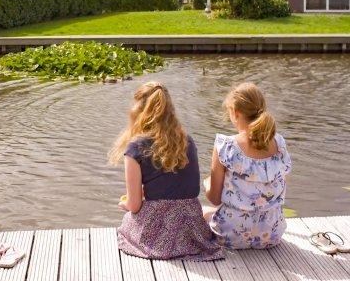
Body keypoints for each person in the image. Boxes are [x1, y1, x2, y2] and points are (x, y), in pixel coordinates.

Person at [110, 81, 223, 261]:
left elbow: (135, 205)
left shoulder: (135, 147)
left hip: (157, 236)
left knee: (127, 223)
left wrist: (125, 204)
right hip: (191, 228)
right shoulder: (187, 140)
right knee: (204, 210)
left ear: (138, 111)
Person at [204, 82, 291, 249]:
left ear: (235, 113)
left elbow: (214, 199)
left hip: (231, 236)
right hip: (272, 235)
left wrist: (207, 183)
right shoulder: (279, 143)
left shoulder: (226, 146)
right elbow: (282, 185)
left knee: (202, 211)